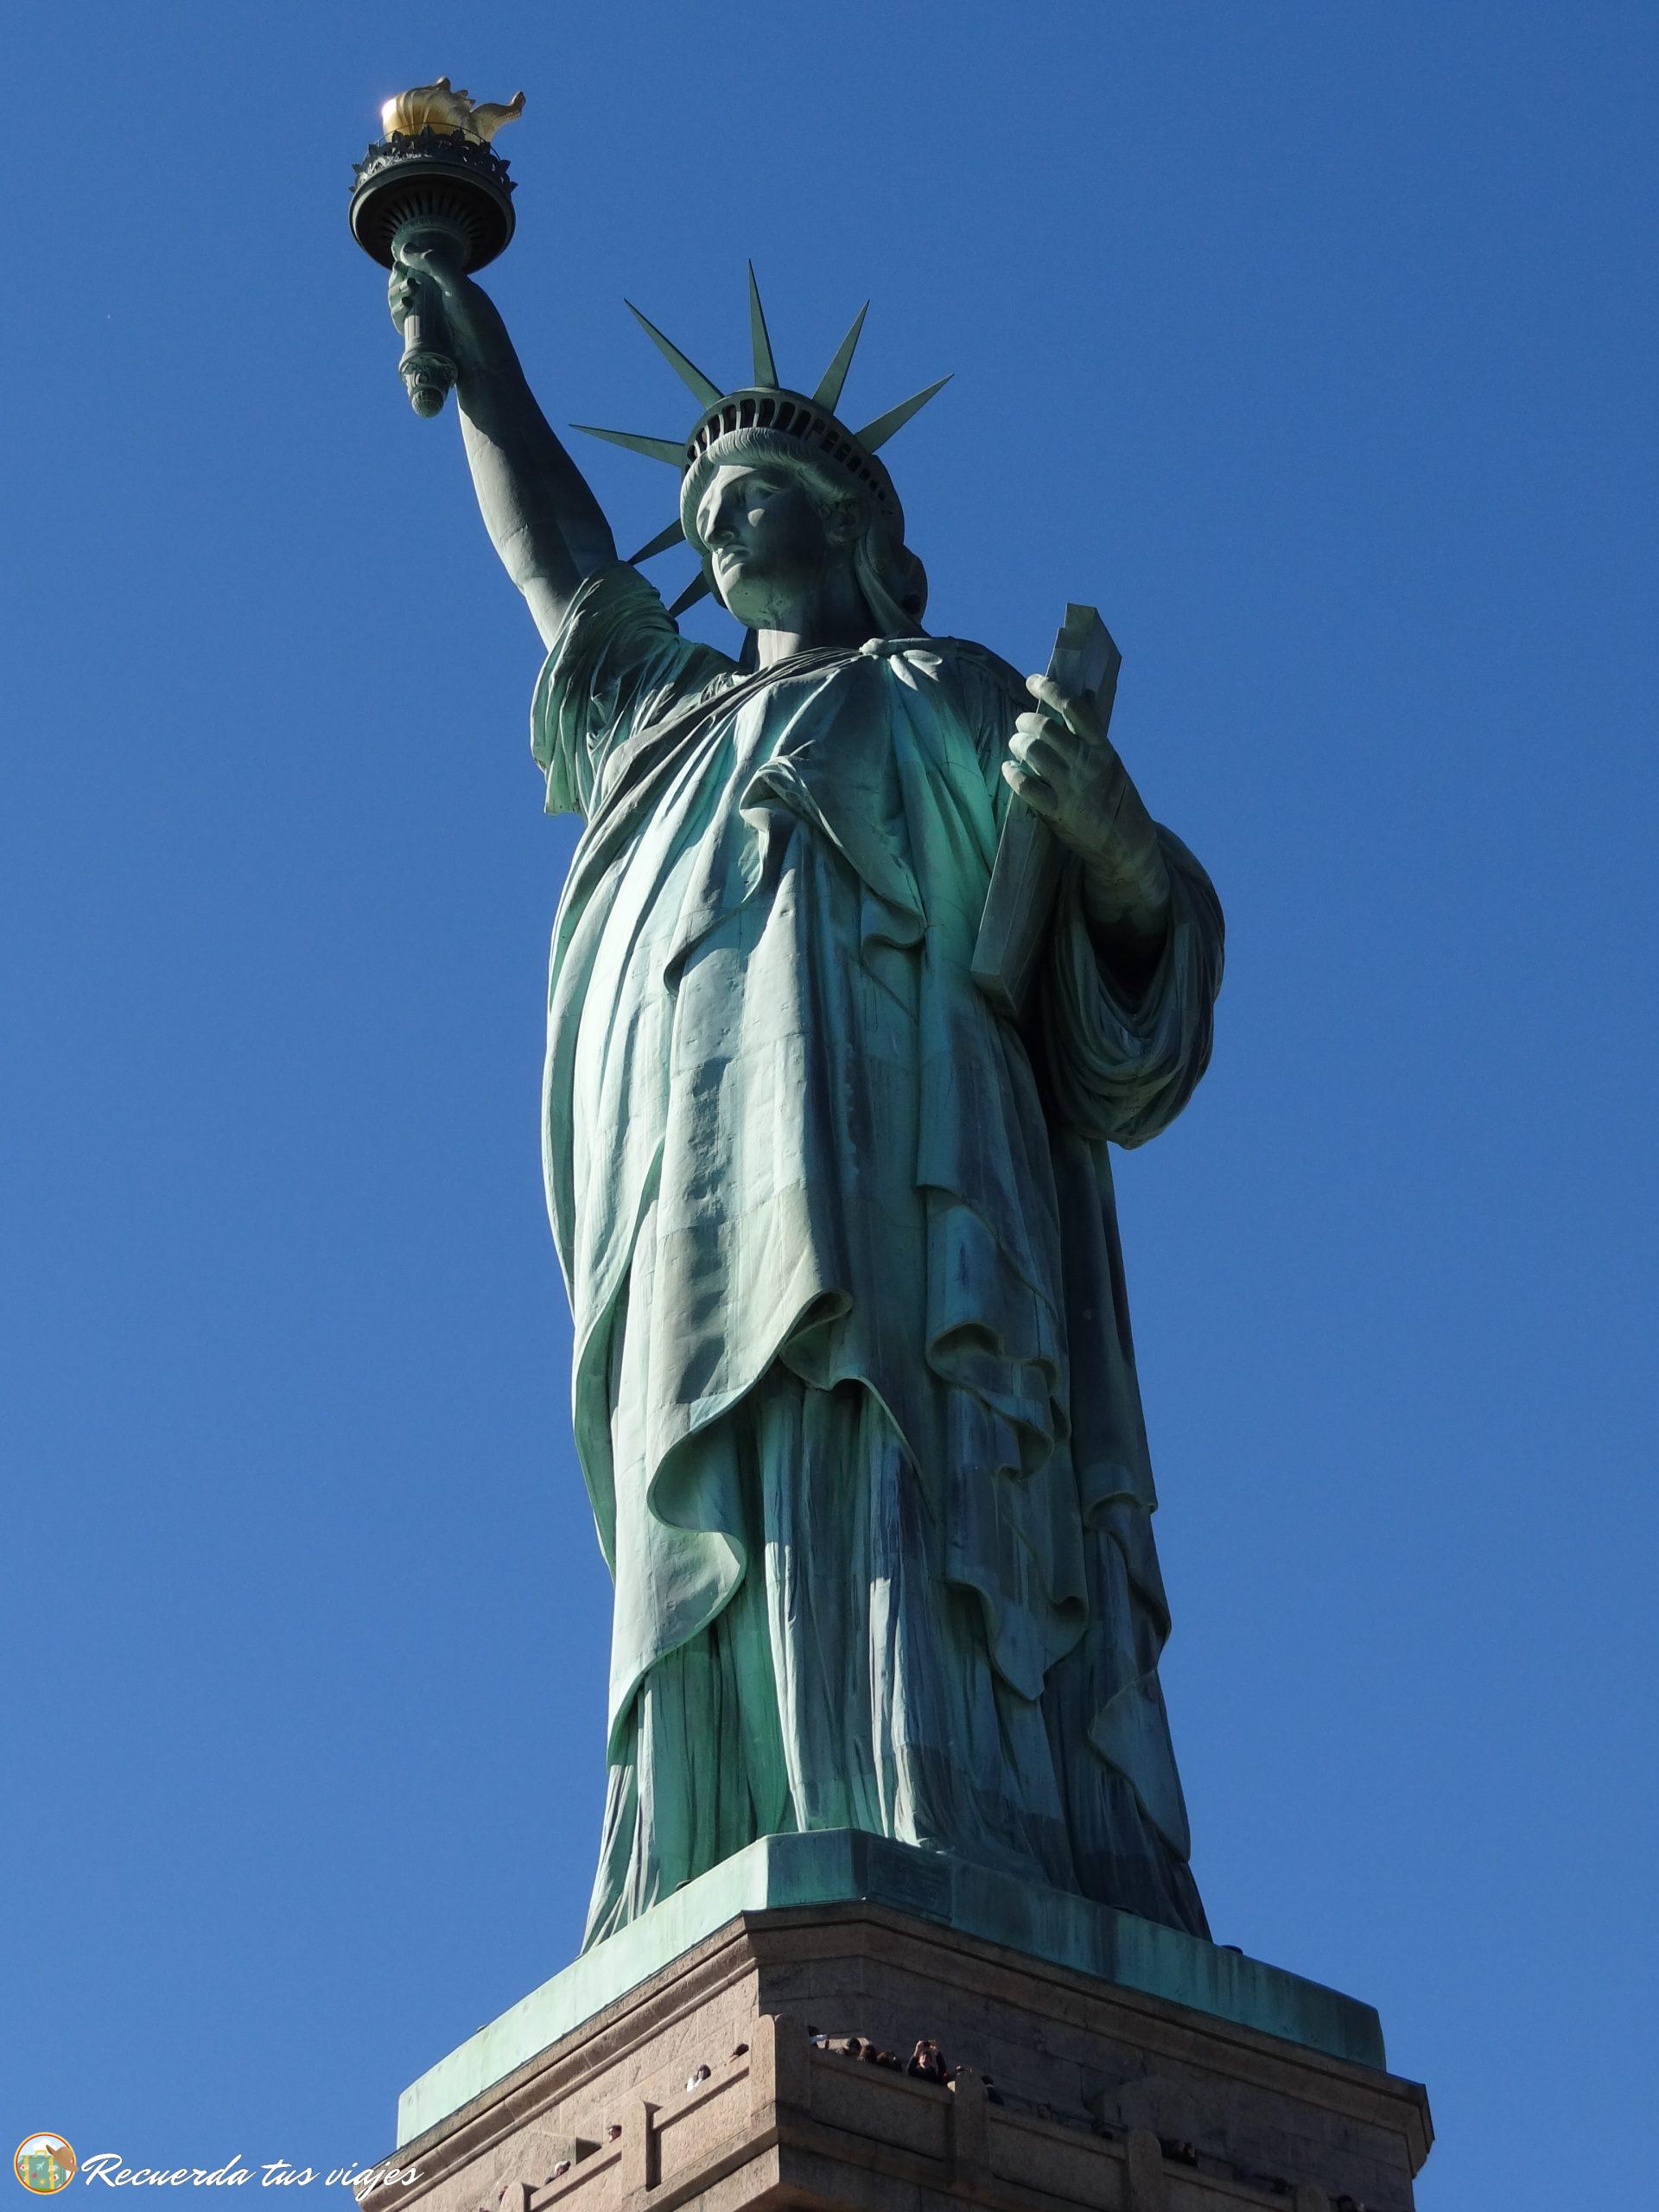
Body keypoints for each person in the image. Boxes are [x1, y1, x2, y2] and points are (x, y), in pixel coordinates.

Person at [388, 250, 1224, 1949]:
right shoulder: (667, 726)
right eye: (696, 504)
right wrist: (486, 374)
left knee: (903, 1466)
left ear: (853, 527)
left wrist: (1117, 840)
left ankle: (948, 1808)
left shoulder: (953, 695)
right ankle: (711, 1846)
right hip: (695, 1213)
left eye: (751, 487)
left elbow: (1126, 1022)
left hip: (921, 1197)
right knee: (723, 1492)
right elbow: (562, 570)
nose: (713, 521)